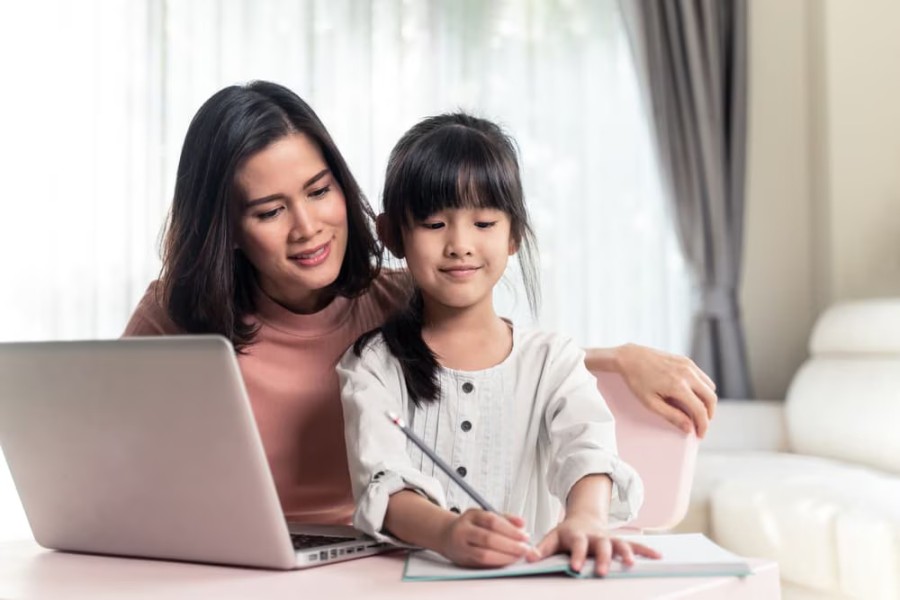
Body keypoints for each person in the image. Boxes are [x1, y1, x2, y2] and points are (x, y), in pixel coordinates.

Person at [123, 80, 717, 528]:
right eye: (270, 211)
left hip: (376, 550)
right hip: (238, 553)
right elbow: (104, 442)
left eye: (319, 191)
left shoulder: (394, 295)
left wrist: (618, 358)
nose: (308, 227)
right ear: (225, 227)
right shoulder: (178, 314)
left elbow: (496, 359)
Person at [338, 113, 660, 574]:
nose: (460, 244)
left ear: (515, 236)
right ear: (392, 236)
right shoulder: (373, 365)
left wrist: (586, 518)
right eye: (433, 223)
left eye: (484, 222)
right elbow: (383, 483)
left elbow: (588, 449)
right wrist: (447, 533)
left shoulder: (553, 360)